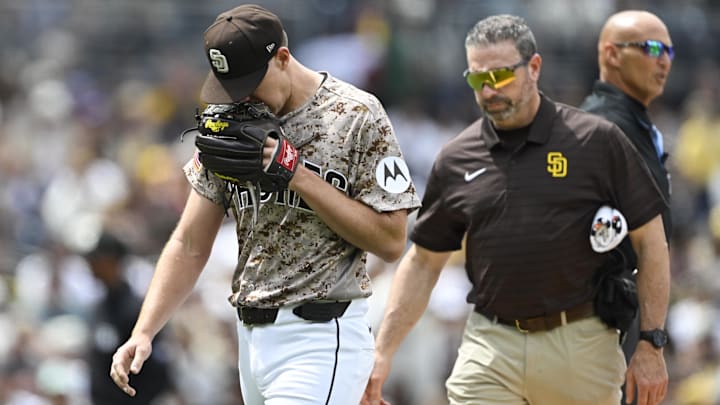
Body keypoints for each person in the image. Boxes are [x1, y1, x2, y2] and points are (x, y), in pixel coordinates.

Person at [109, 4, 421, 405]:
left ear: (283, 58)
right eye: (231, 86)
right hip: (251, 342)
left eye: (250, 83)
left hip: (320, 334)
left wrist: (298, 175)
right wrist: (144, 330)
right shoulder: (231, 123)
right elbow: (189, 242)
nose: (242, 97)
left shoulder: (356, 116)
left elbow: (393, 241)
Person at [362, 14, 670, 405]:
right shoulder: (456, 158)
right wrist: (382, 351)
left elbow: (651, 241)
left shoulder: (596, 141)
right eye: (478, 79)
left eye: (502, 75)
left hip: (580, 343)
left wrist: (652, 343)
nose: (490, 89)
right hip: (491, 345)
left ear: (535, 68)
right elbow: (423, 261)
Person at [579, 10, 674, 405]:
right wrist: (650, 342)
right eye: (652, 47)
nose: (664, 59)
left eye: (669, 49)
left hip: (619, 319)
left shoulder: (632, 124)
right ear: (612, 54)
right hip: (598, 328)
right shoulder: (601, 127)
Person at [85, 231, 175, 405]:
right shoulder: (99, 308)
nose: (91, 265)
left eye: (96, 260)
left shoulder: (138, 311)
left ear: (112, 261)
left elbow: (158, 370)